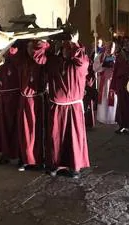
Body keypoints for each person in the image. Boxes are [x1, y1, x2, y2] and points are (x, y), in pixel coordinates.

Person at [46, 31, 90, 178]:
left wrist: (75, 43)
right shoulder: (54, 62)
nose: (65, 51)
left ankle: (74, 166)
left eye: (67, 48)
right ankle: (55, 164)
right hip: (57, 106)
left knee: (73, 138)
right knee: (55, 137)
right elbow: (40, 57)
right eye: (63, 48)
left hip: (73, 108)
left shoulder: (78, 65)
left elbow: (82, 60)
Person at [17, 40, 49, 171]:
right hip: (25, 100)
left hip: (37, 101)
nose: (31, 51)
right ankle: (25, 159)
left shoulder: (42, 62)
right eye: (29, 48)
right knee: (25, 132)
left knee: (37, 131)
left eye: (33, 48)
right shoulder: (23, 61)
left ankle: (38, 160)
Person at [0, 45, 21, 164]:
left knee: (16, 126)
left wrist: (13, 54)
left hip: (15, 97)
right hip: (4, 97)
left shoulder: (16, 56)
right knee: (3, 127)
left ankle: (19, 154)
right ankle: (5, 154)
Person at [96, 41, 117, 125]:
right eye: (109, 47)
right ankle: (102, 117)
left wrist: (114, 65)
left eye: (112, 47)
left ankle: (112, 117)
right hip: (103, 81)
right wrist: (103, 65)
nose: (110, 49)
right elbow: (95, 67)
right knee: (104, 98)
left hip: (112, 81)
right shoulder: (100, 56)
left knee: (113, 99)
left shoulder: (116, 57)